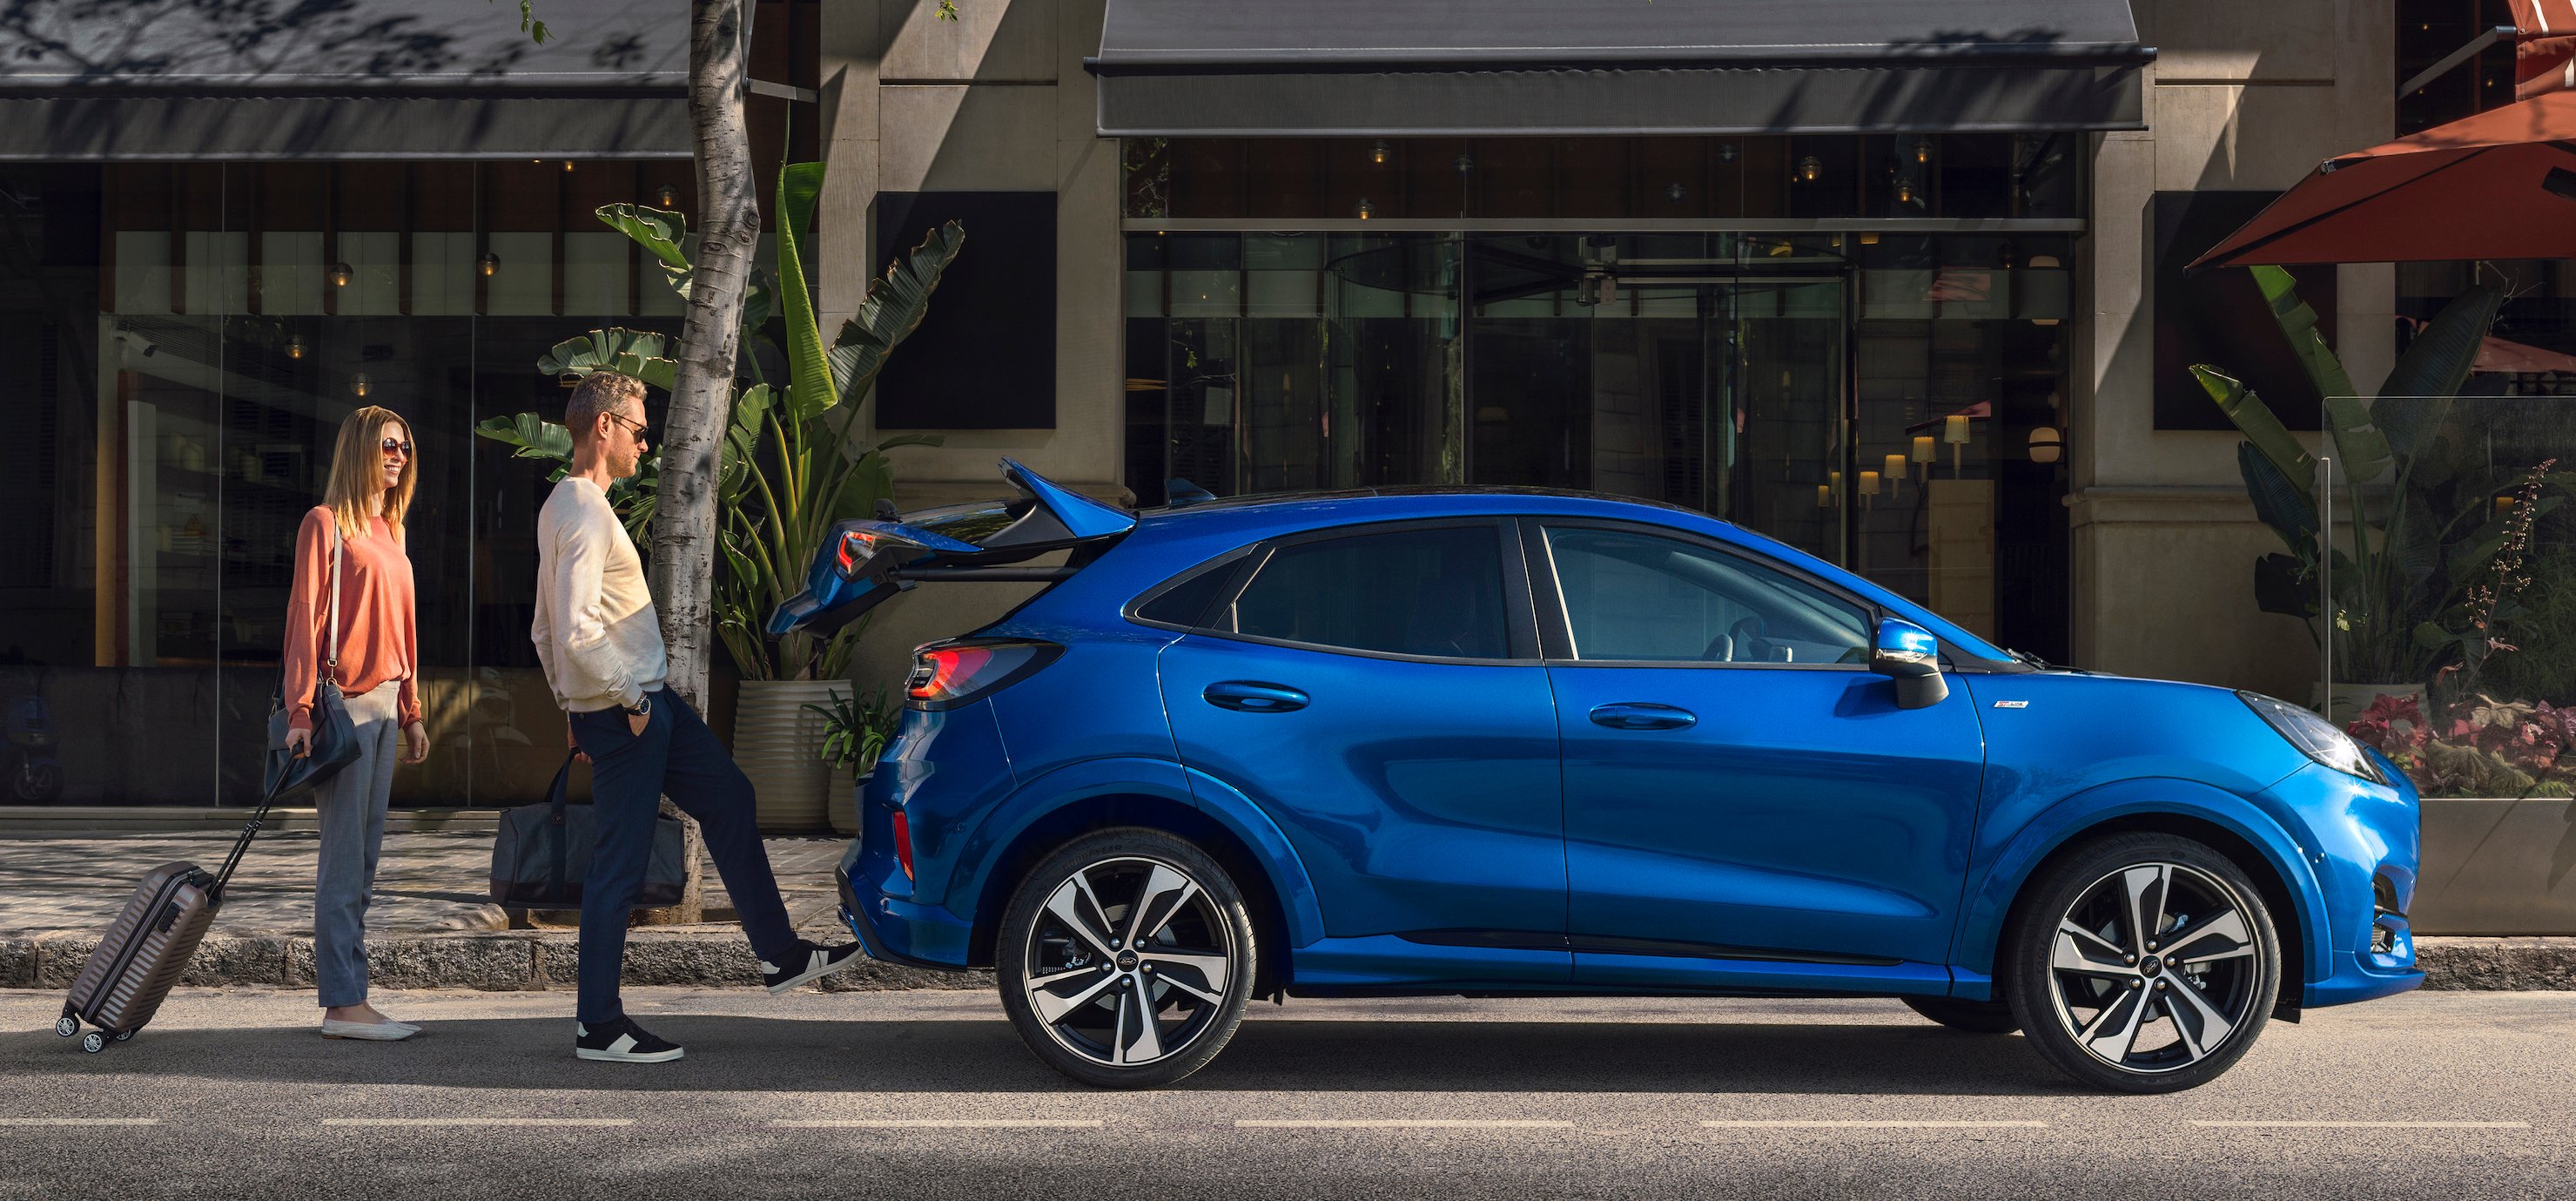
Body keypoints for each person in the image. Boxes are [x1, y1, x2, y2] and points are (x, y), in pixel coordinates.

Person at [534, 371, 863, 1063]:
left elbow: (542, 632)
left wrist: (572, 702)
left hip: (637, 704)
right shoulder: (585, 511)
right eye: (637, 430)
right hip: (632, 709)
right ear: (603, 427)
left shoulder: (569, 505)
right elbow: (570, 628)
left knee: (731, 796)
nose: (644, 444)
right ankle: (597, 1024)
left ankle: (779, 954)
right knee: (618, 865)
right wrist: (621, 698)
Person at [283, 406, 428, 1042]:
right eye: (387, 445)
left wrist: (414, 709)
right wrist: (299, 711)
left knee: (364, 860)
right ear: (361, 450)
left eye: (405, 447)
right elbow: (303, 623)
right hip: (345, 709)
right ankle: (343, 1003)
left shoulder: (391, 531)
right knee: (343, 862)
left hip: (388, 708)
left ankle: (352, 995)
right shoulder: (326, 524)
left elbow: (404, 630)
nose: (397, 456)